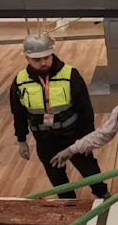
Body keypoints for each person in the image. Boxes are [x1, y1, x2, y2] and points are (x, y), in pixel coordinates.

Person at [10, 34, 109, 199]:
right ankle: (67, 203)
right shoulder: (20, 82)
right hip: (45, 140)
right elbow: (18, 113)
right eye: (37, 59)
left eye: (46, 58)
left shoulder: (70, 75)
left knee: (89, 170)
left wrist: (88, 138)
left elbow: (85, 110)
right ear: (27, 58)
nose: (43, 63)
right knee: (56, 177)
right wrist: (22, 140)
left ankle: (102, 193)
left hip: (74, 136)